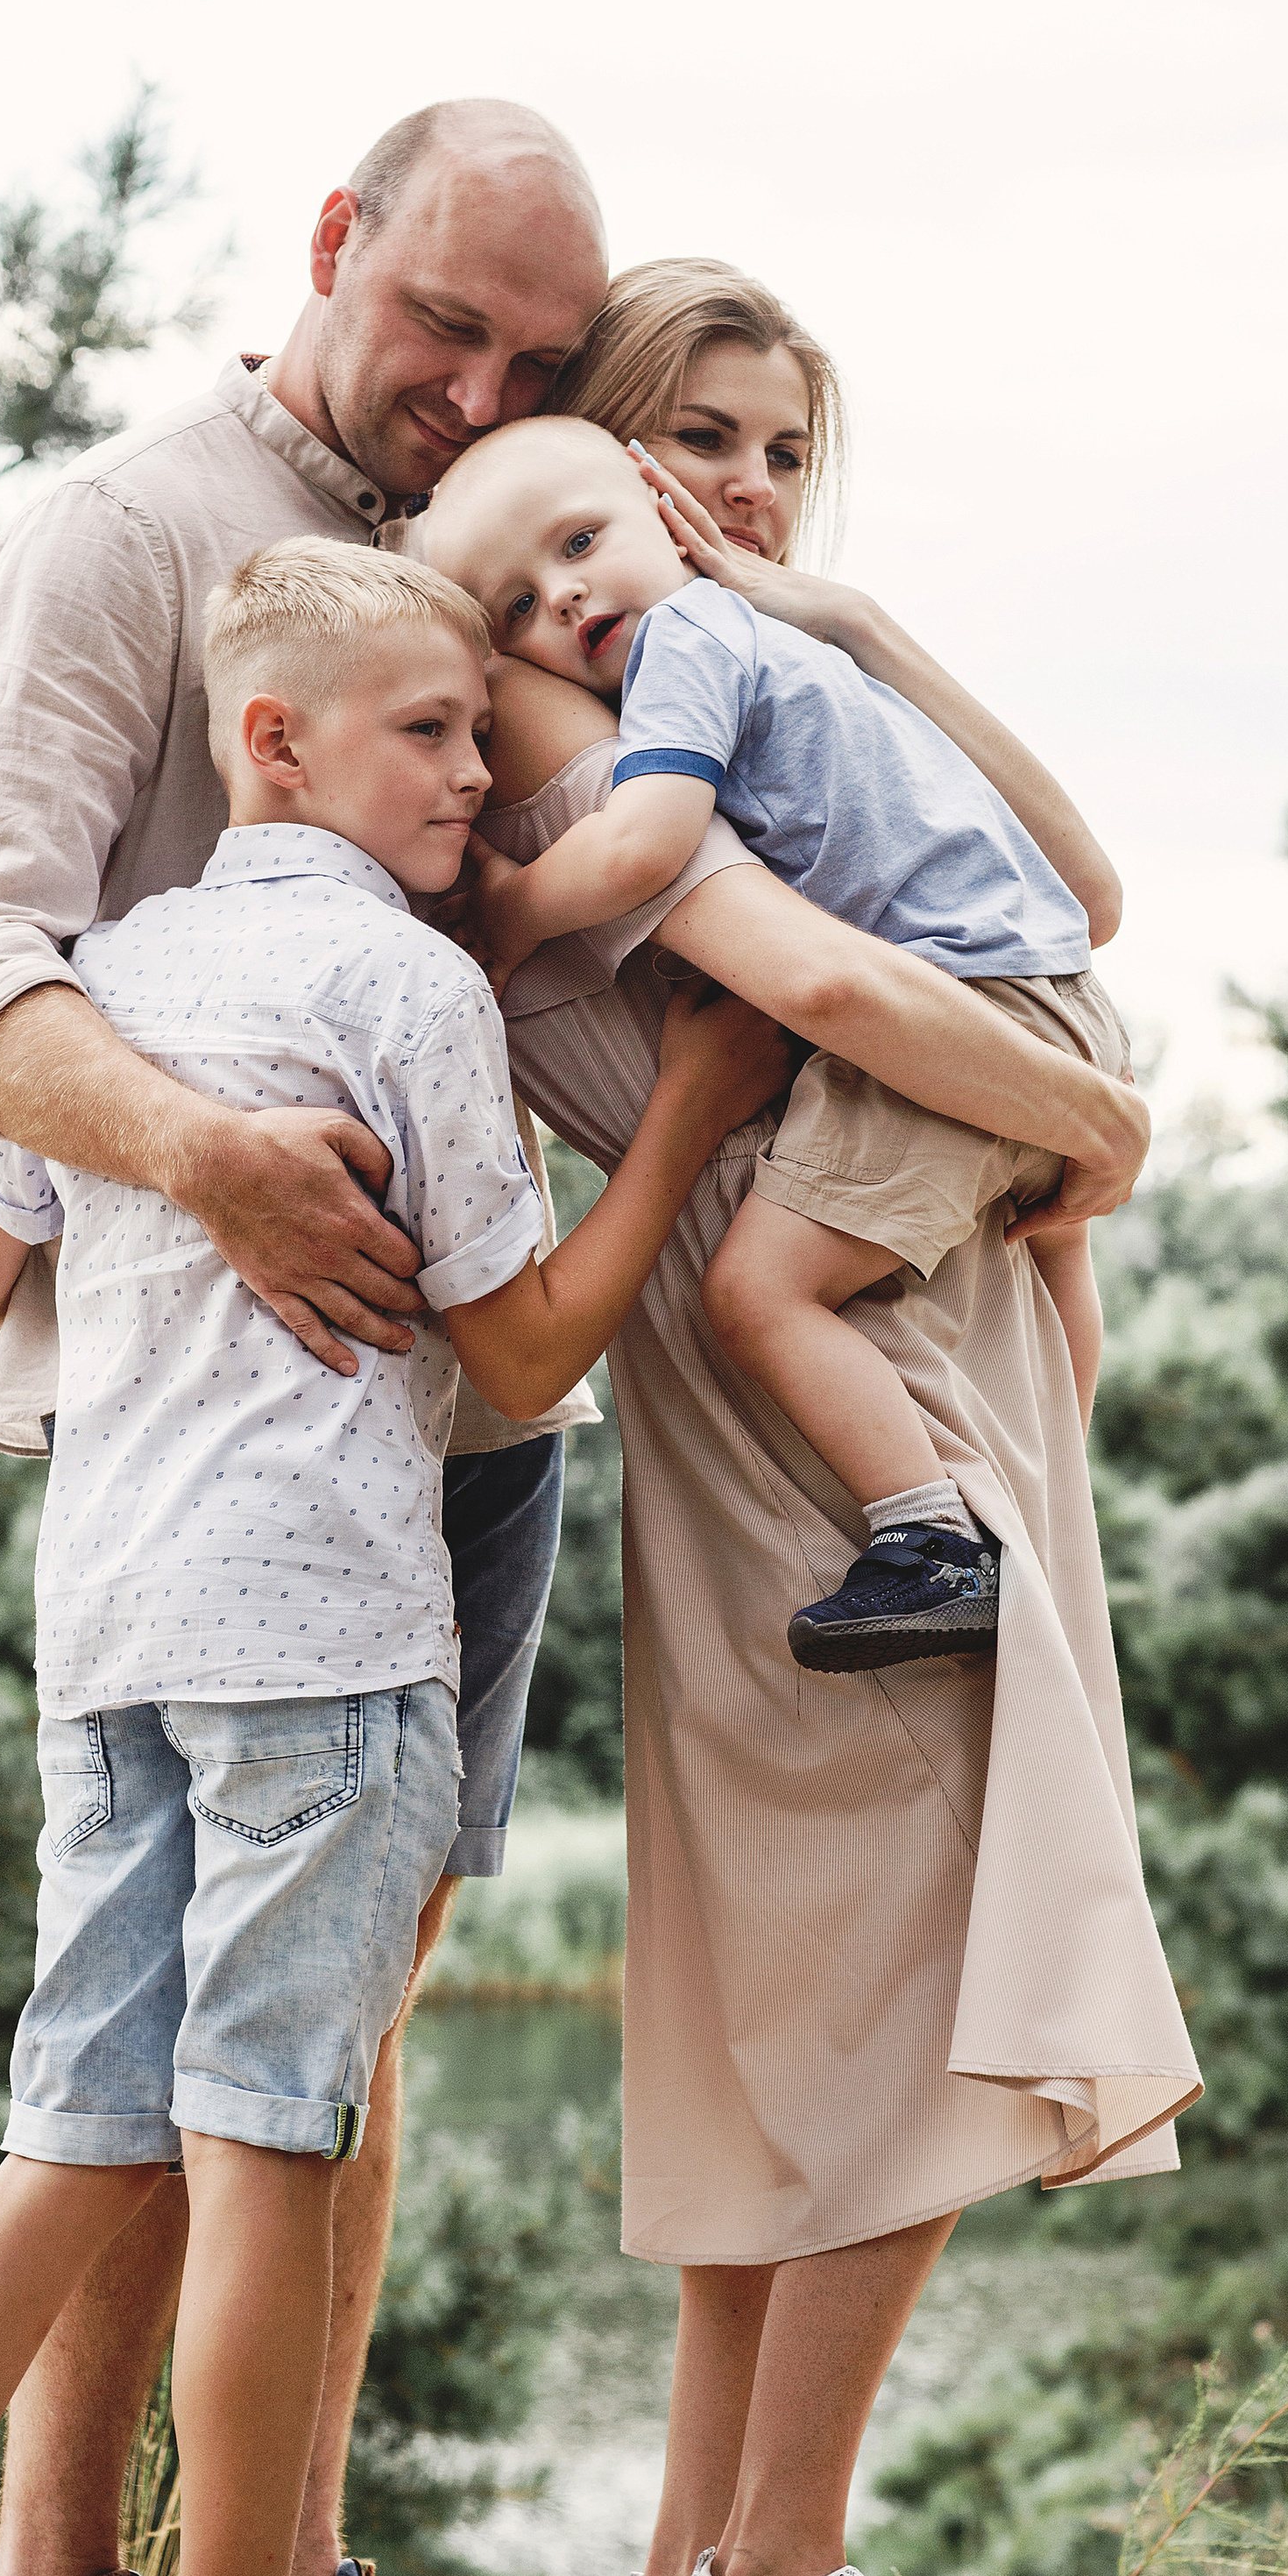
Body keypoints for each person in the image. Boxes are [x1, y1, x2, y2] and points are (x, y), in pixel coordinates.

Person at [0, 545, 789, 2576]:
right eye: (428, 732)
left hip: (105, 1633)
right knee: (261, 2146)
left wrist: (163, 1200)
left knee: (64, 2146)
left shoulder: (99, 977)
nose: (478, 779)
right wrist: (687, 1110)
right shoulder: (407, 989)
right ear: (269, 737)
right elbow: (515, 1352)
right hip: (316, 1650)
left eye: (482, 742)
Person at [437, 259, 1198, 2576]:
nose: (745, 493)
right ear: (605, 444)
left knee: (839, 1960)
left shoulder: (755, 643)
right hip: (825, 1329)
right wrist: (1093, 1133)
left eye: (785, 451)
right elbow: (812, 986)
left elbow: (1076, 894)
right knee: (919, 1939)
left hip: (888, 1284)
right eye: (705, 442)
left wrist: (845, 609)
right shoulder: (581, 678)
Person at [0, 101, 614, 2576]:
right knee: (168, 2039)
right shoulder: (122, 535)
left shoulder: (529, 520)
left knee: (344, 2017)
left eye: (536, 354)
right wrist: (202, 1159)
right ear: (333, 246)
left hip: (450, 1406)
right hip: (219, 1419)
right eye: (444, 318)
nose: (480, 383)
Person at [423, 413, 1116, 1672]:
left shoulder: (689, 639)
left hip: (964, 1000)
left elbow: (643, 842)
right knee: (1050, 1254)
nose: (566, 595)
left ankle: (933, 1542)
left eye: (583, 543)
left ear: (662, 513)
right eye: (518, 605)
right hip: (1040, 987)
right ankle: (1056, 1507)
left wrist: (512, 909)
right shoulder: (764, 648)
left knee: (757, 1291)